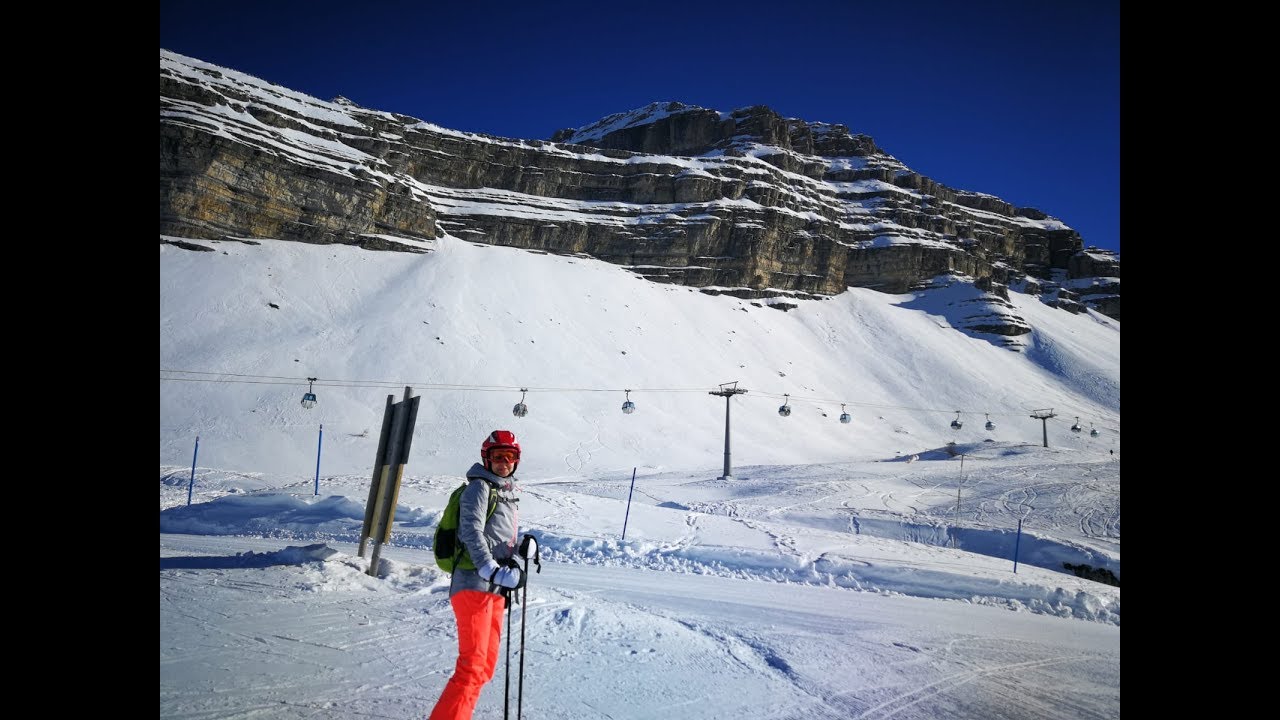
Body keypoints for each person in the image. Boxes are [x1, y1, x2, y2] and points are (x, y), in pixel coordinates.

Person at [429, 430, 525, 720]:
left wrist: (521, 551)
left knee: (484, 667)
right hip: (474, 583)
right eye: (498, 456)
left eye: (511, 456)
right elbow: (470, 531)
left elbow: (499, 539)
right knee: (472, 666)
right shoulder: (480, 488)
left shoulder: (506, 493)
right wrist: (489, 569)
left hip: (494, 589)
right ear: (487, 458)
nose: (504, 462)